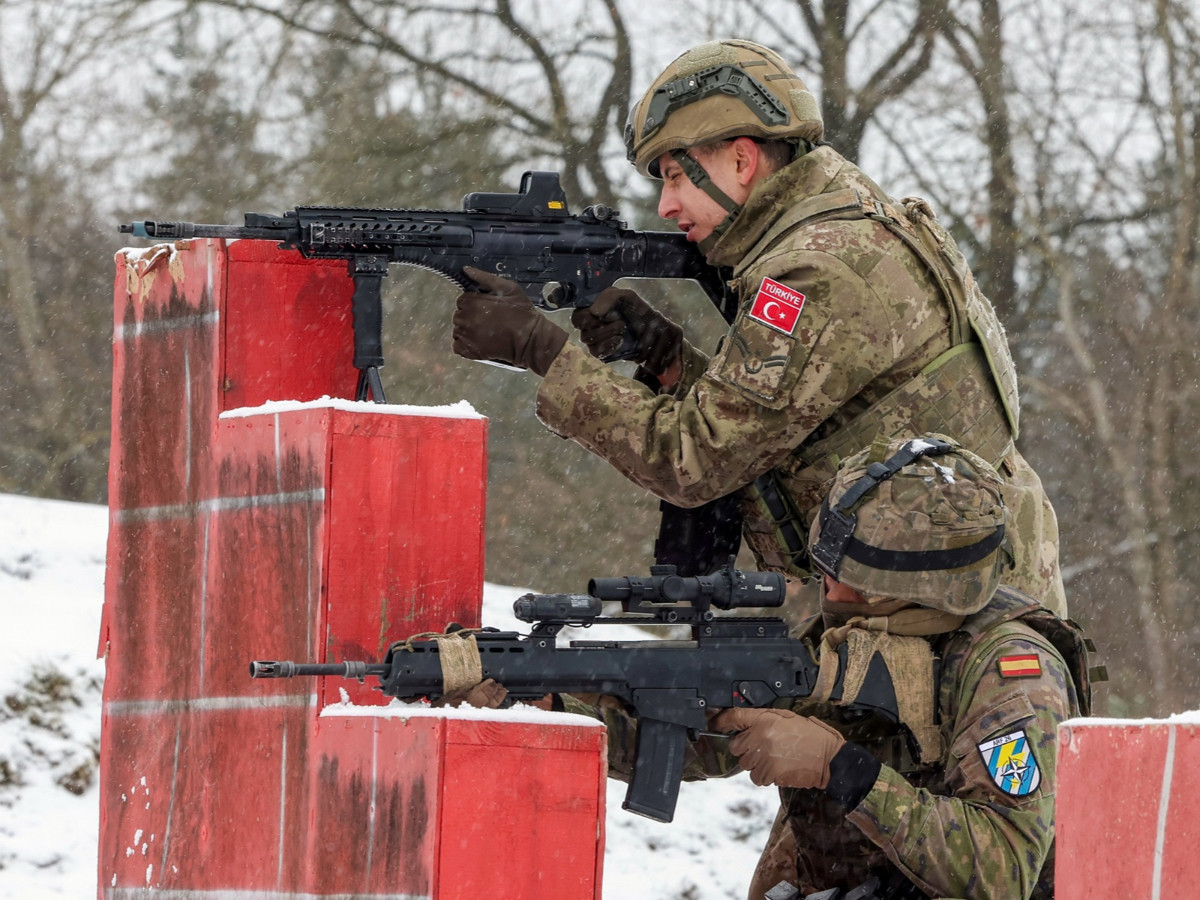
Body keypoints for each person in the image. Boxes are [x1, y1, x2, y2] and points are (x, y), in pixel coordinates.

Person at [451, 38, 1067, 621]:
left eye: (673, 175)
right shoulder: (845, 226)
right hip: (947, 596)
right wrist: (671, 360)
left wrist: (543, 349)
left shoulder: (814, 269)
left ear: (741, 160)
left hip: (949, 621)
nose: (666, 206)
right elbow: (798, 419)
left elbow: (694, 459)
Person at [567, 436, 1089, 899]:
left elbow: (1002, 869)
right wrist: (555, 706)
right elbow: (699, 742)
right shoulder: (854, 633)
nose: (826, 583)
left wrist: (839, 767)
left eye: (844, 572)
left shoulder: (1013, 669)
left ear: (910, 584)